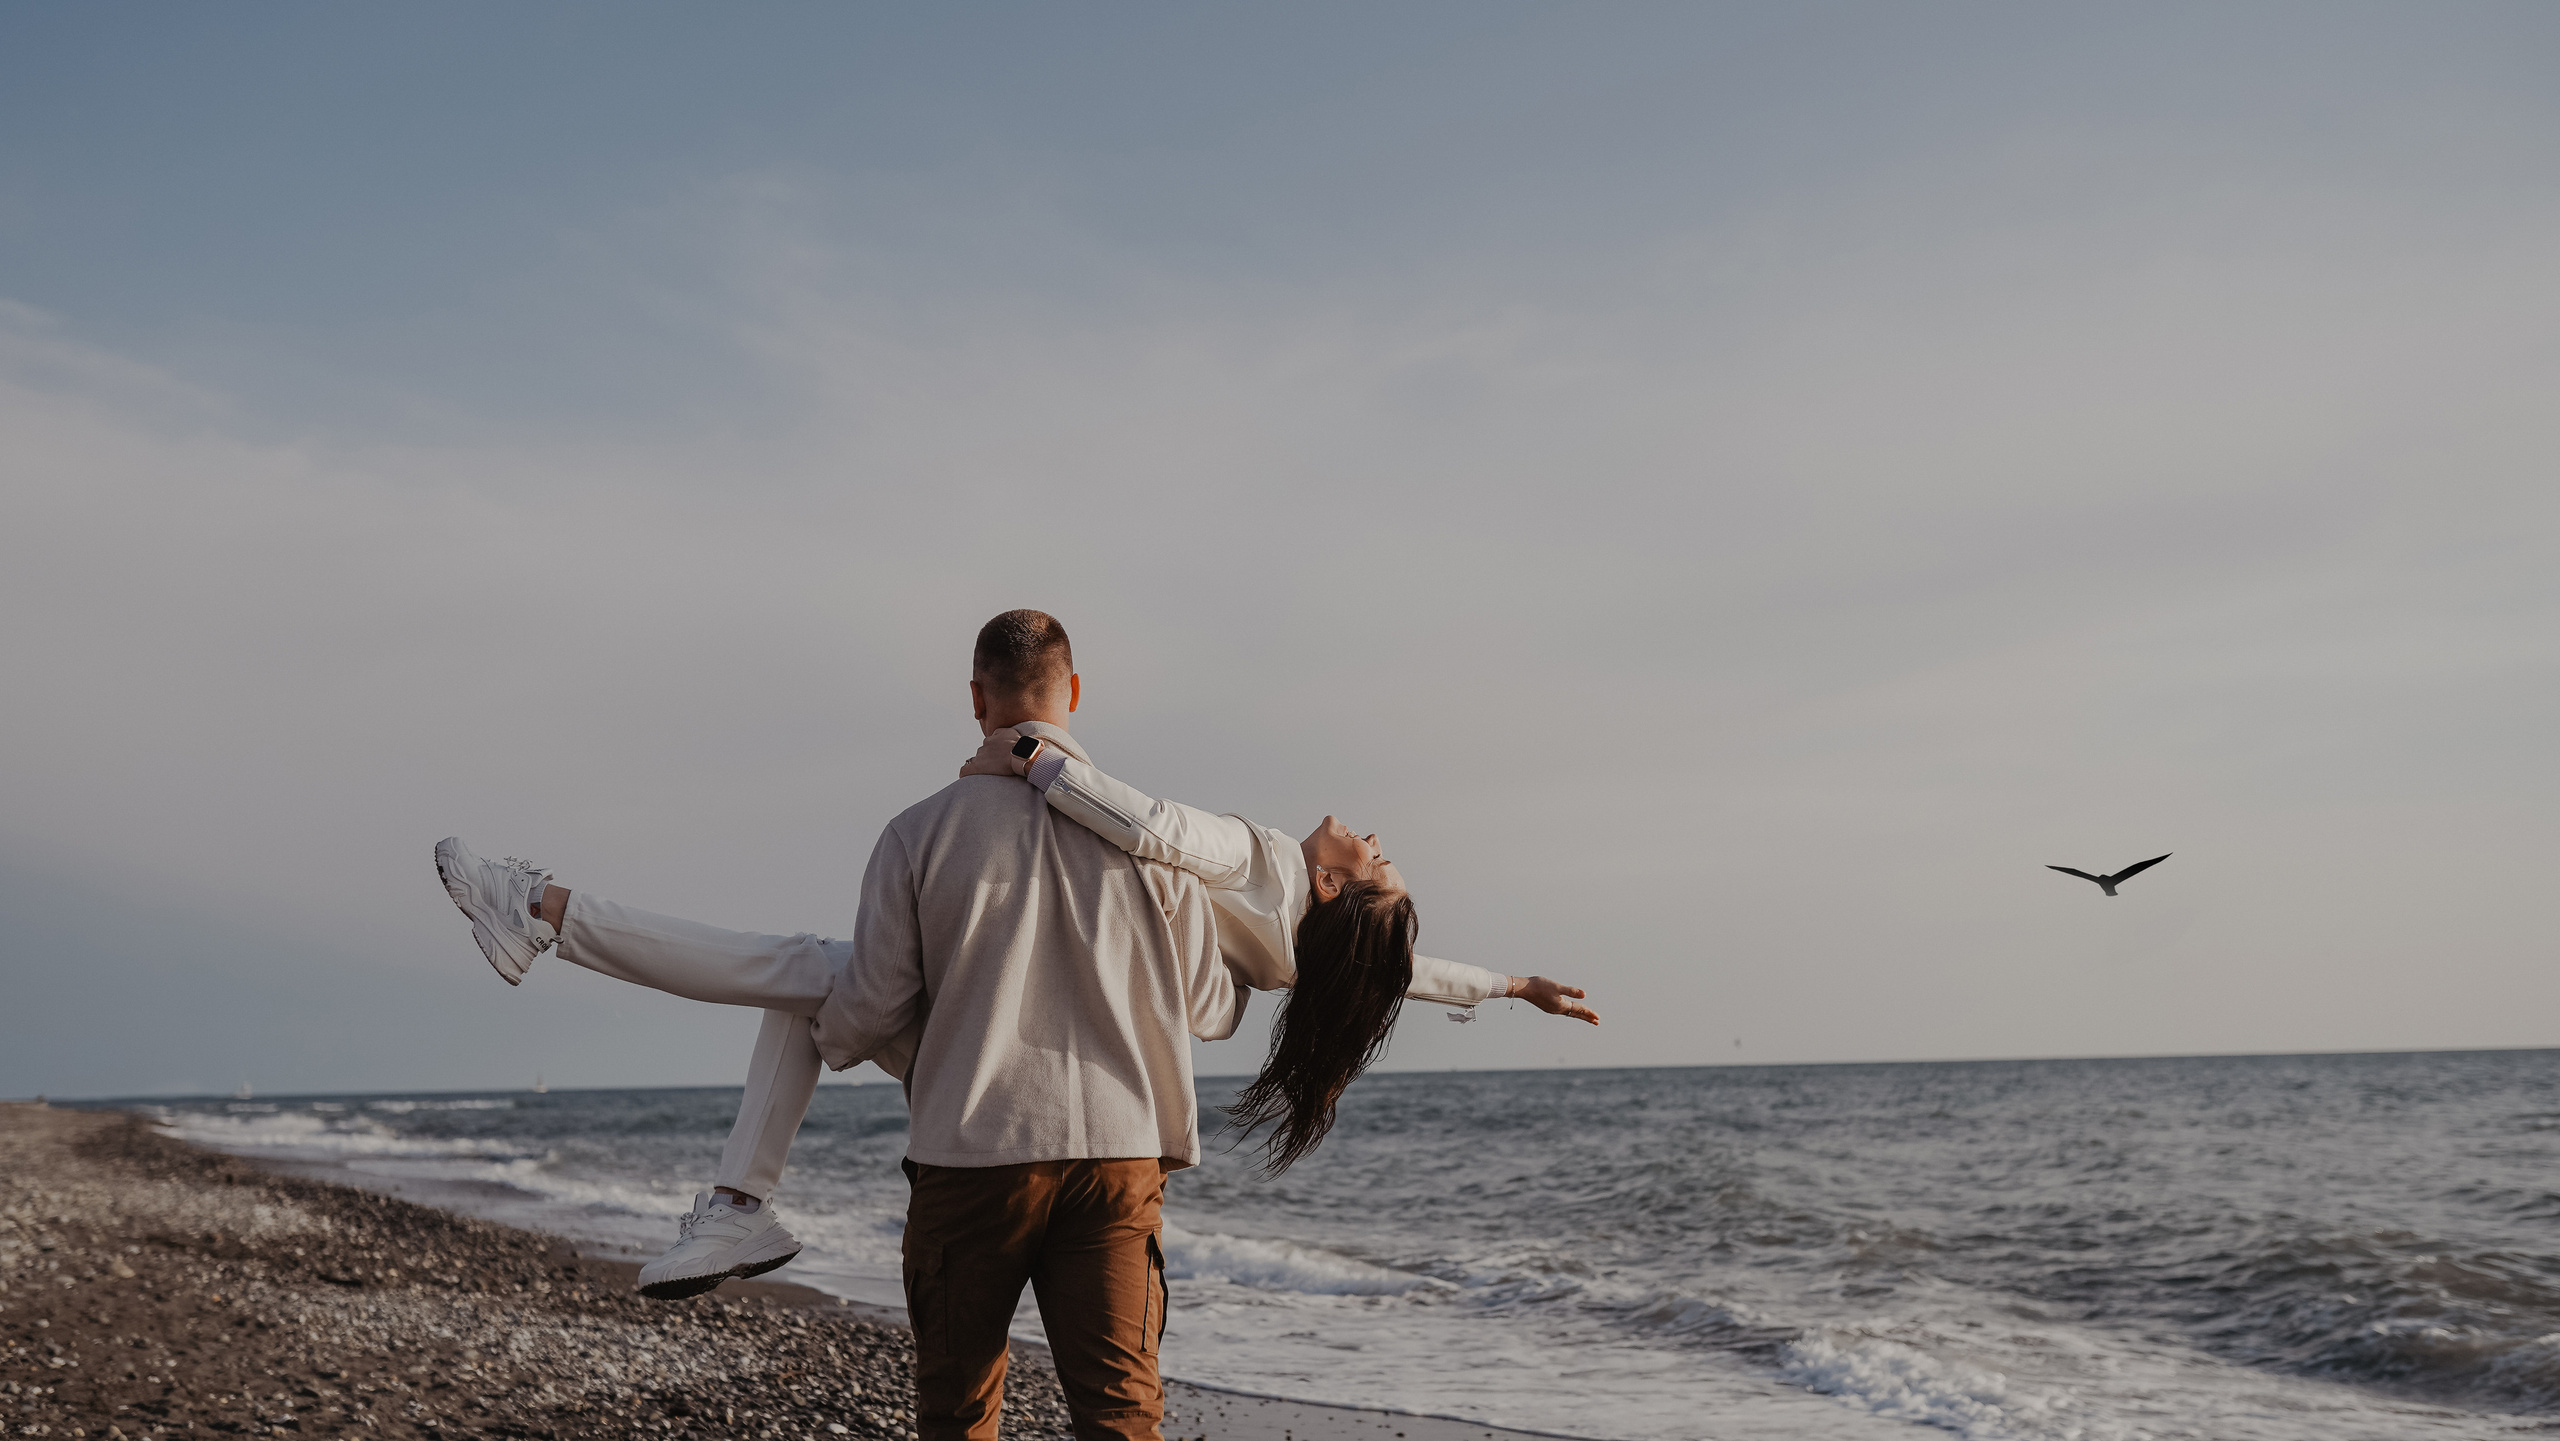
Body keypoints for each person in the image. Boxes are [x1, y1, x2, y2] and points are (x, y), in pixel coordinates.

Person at [432, 611, 1598, 1302]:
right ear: (1077, 684)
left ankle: (552, 918)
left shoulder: (1246, 853)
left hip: (975, 1064)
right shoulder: (1297, 940)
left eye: (1376, 853)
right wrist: (1510, 986)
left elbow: (1142, 820)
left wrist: (1033, 759)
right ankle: (565, 940)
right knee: (793, 975)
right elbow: (1397, 970)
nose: (1370, 830)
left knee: (798, 976)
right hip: (1093, 1091)